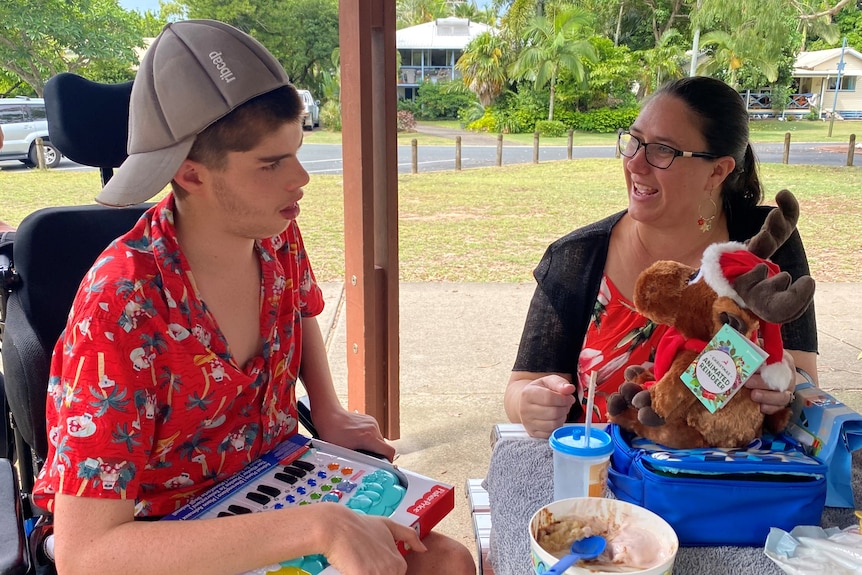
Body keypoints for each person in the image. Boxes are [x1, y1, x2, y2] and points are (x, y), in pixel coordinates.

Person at [31, 20, 475, 575]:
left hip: (269, 475)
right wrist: (316, 525)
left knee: (449, 562)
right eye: (271, 164)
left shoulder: (274, 231)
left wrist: (329, 410)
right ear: (189, 174)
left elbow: (299, 307)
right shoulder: (123, 300)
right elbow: (87, 554)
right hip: (158, 531)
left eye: (295, 152)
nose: (301, 178)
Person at [504, 76, 818, 439]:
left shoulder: (766, 241)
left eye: (663, 151)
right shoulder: (576, 258)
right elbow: (522, 386)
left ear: (718, 171)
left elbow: (806, 381)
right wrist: (531, 403)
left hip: (726, 482)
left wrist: (787, 385)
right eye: (634, 141)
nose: (636, 163)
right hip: (603, 483)